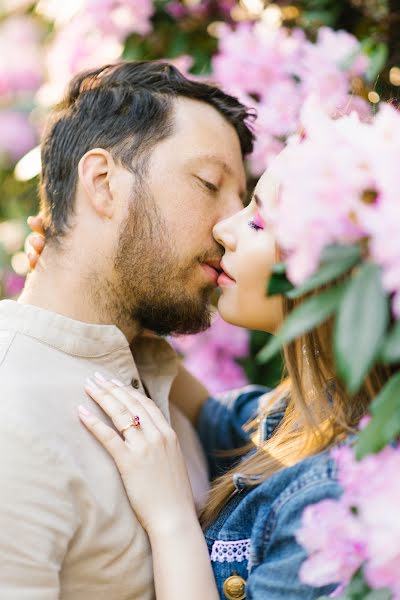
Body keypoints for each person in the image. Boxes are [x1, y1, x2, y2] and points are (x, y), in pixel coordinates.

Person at [66, 165, 391, 599]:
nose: (224, 228)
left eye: (258, 221)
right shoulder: (312, 413)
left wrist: (171, 517)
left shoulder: (332, 504)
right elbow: (208, 417)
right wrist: (91, 285)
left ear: (341, 270)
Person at [0, 61, 254, 599]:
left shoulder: (149, 368)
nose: (232, 226)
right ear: (103, 184)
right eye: (210, 184)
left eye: (244, 200)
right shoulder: (12, 415)